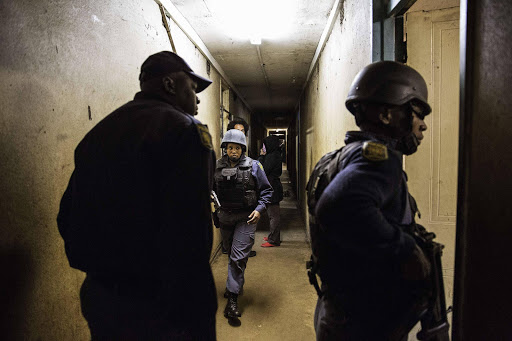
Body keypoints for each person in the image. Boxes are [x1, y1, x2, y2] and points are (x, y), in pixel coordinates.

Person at [57, 51, 218, 340]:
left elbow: (66, 216)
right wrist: (197, 314)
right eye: (193, 89)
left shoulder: (97, 134)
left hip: (102, 296)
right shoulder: (185, 131)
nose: (197, 99)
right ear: (169, 85)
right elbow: (191, 235)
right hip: (159, 303)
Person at [312, 61, 432, 340]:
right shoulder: (379, 159)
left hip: (338, 308)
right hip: (366, 318)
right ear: (388, 115)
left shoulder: (338, 157)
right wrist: (407, 248)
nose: (423, 124)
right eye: (416, 112)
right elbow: (339, 206)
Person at [213, 129, 272, 321]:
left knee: (238, 257)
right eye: (230, 147)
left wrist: (259, 209)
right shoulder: (216, 167)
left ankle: (232, 299)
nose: (233, 151)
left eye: (237, 148)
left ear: (243, 149)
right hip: (225, 218)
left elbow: (267, 192)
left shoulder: (255, 166)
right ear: (225, 149)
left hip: (247, 218)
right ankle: (235, 284)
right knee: (230, 253)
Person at [224, 117, 257, 257]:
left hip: (245, 213)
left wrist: (259, 209)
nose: (239, 135)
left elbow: (264, 189)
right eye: (236, 131)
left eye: (242, 132)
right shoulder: (220, 165)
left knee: (238, 256)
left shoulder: (252, 164)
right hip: (226, 214)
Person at [258, 135, 284, 247]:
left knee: (274, 215)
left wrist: (261, 156)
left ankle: (274, 240)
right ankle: (272, 236)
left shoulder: (272, 156)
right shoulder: (274, 154)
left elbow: (261, 168)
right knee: (271, 214)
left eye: (265, 145)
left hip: (272, 188)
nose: (264, 147)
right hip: (272, 186)